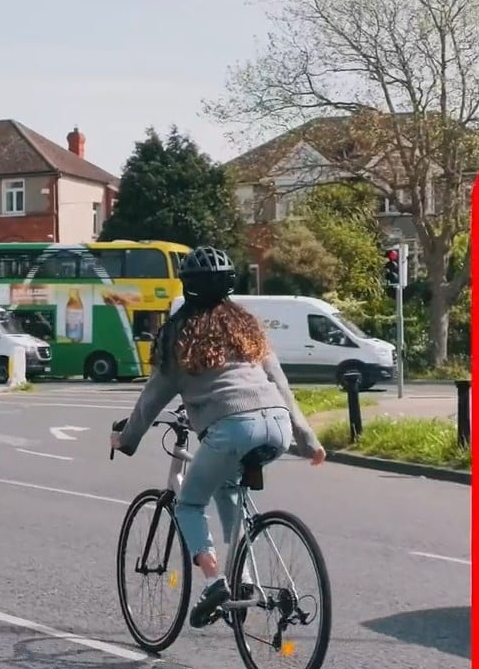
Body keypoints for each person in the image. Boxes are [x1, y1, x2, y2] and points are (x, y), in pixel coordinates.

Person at [111, 246, 326, 628]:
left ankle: (215, 583)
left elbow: (151, 400)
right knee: (228, 488)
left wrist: (125, 440)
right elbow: (280, 383)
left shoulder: (178, 337)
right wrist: (307, 439)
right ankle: (244, 578)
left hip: (231, 429)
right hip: (276, 424)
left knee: (189, 505)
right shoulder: (246, 327)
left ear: (186, 286)